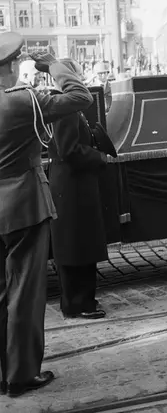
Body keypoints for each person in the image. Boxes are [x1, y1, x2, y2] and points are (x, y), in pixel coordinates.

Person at [0, 33, 93, 397]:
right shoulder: (23, 101)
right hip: (23, 206)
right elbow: (81, 97)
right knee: (24, 292)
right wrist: (55, 64)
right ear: (11, 65)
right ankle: (21, 374)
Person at [48, 59, 110, 320]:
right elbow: (69, 150)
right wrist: (99, 157)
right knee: (76, 245)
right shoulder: (66, 109)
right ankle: (79, 303)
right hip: (72, 186)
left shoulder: (63, 105)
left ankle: (81, 300)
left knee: (79, 243)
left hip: (73, 184)